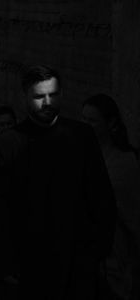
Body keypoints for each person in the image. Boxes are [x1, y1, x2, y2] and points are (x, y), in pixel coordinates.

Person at [0, 65, 117, 300]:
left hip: (78, 259)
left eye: (53, 95)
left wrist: (98, 250)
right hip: (30, 261)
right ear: (24, 97)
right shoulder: (6, 145)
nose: (47, 102)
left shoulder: (81, 135)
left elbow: (101, 196)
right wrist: (5, 262)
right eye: (39, 96)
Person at [82, 93, 140, 300]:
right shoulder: (82, 155)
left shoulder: (123, 163)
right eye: (84, 119)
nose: (86, 125)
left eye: (92, 120)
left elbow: (133, 219)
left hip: (112, 260)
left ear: (110, 123)